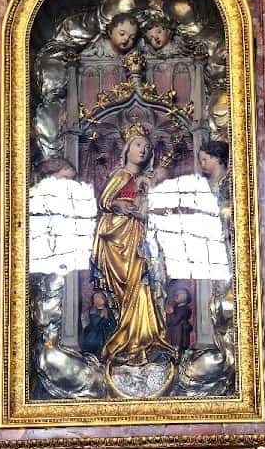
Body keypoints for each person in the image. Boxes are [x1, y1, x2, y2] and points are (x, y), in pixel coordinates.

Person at [91, 124, 174, 364]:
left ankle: (145, 339)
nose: (144, 150)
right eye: (139, 145)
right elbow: (105, 202)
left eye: (147, 147)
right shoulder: (119, 176)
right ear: (127, 149)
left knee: (143, 286)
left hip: (140, 240)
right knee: (126, 292)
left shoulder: (147, 180)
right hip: (118, 243)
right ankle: (125, 338)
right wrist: (119, 205)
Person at [80, 290, 117, 357]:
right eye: (96, 298)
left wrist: (114, 329)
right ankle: (93, 352)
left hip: (106, 330)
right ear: (93, 301)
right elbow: (94, 322)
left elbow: (113, 321)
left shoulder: (108, 310)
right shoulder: (93, 309)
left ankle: (106, 354)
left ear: (105, 299)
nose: (98, 299)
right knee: (95, 341)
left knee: (112, 340)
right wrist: (101, 316)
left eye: (100, 297)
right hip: (94, 331)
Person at [165, 286, 193, 351]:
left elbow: (175, 320)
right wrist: (169, 313)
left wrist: (171, 312)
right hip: (175, 333)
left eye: (180, 293)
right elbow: (169, 323)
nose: (176, 295)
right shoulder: (176, 307)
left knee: (180, 349)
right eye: (176, 293)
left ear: (186, 296)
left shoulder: (185, 309)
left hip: (181, 333)